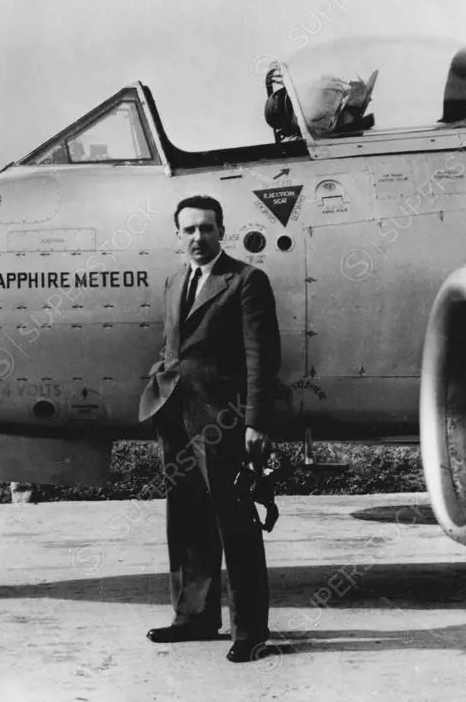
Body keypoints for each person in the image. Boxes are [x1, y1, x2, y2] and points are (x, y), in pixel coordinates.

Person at [138, 194, 282, 663]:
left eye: (207, 228)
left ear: (222, 231)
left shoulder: (245, 281)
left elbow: (263, 358)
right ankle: (194, 617)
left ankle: (250, 632)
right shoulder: (174, 281)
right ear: (177, 234)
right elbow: (172, 346)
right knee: (187, 520)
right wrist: (159, 386)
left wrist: (256, 422)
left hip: (224, 423)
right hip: (176, 419)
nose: (198, 238)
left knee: (235, 524)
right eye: (189, 230)